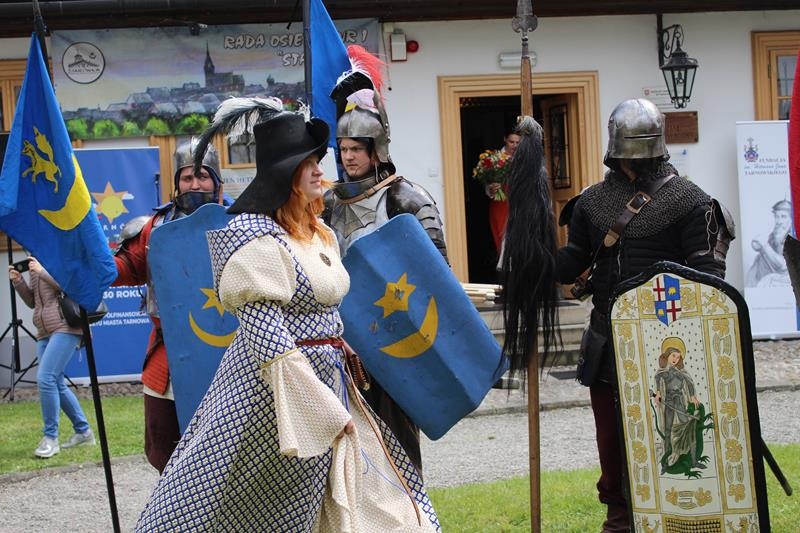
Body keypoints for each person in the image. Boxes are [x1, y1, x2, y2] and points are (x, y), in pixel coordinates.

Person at [135, 104, 439, 532]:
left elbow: (323, 310)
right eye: (309, 164)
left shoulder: (318, 232)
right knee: (247, 510)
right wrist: (321, 409)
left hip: (328, 380)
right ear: (285, 173)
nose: (321, 172)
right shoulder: (253, 239)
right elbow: (269, 342)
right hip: (267, 401)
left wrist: (338, 349)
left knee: (367, 495)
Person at [556, 98, 732, 532]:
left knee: (671, 439)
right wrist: (531, 257)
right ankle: (620, 518)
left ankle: (676, 516)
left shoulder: (689, 201)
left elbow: (708, 281)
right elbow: (574, 260)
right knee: (612, 443)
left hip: (669, 347)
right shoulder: (592, 202)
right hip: (607, 340)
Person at [326, 46, 447, 474]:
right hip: (343, 339)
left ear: (376, 149)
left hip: (396, 334)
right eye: (343, 148)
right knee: (350, 444)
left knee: (398, 442)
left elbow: (437, 275)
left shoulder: (407, 199)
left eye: (357, 148)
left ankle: (410, 506)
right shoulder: (328, 204)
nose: (348, 157)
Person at [112, 140, 229, 473]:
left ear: (216, 180)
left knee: (230, 449)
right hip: (170, 354)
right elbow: (124, 269)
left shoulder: (240, 221)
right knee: (165, 447)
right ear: (176, 182)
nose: (195, 185)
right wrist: (89, 259)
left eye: (203, 176)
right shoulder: (155, 228)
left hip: (230, 354)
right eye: (187, 177)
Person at [9, 257, 96, 458]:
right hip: (44, 331)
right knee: (55, 382)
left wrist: (41, 271)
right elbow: (33, 302)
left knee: (45, 378)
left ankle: (50, 438)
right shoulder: (35, 261)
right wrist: (18, 282)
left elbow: (72, 288)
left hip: (66, 326)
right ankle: (84, 432)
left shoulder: (61, 255)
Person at [653, 337, 704, 473]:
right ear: (667, 356)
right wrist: (658, 393)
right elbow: (657, 378)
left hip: (680, 402)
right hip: (669, 402)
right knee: (667, 431)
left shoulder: (682, 372)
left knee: (689, 428)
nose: (675, 359)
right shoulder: (663, 372)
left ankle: (694, 461)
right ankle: (665, 463)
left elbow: (689, 383)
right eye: (673, 356)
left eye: (678, 357)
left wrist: (692, 396)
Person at [484, 130, 521, 253]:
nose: (514, 145)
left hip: (519, 206)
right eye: (511, 142)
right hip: (500, 206)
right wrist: (491, 189)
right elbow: (487, 184)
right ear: (505, 139)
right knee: (502, 242)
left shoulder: (523, 159)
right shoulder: (494, 159)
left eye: (517, 143)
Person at [745, 198, 792, 287]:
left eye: (783, 217)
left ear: (791, 218)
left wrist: (764, 246)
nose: (779, 221)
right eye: (777, 217)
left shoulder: (793, 238)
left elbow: (784, 266)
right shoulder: (776, 233)